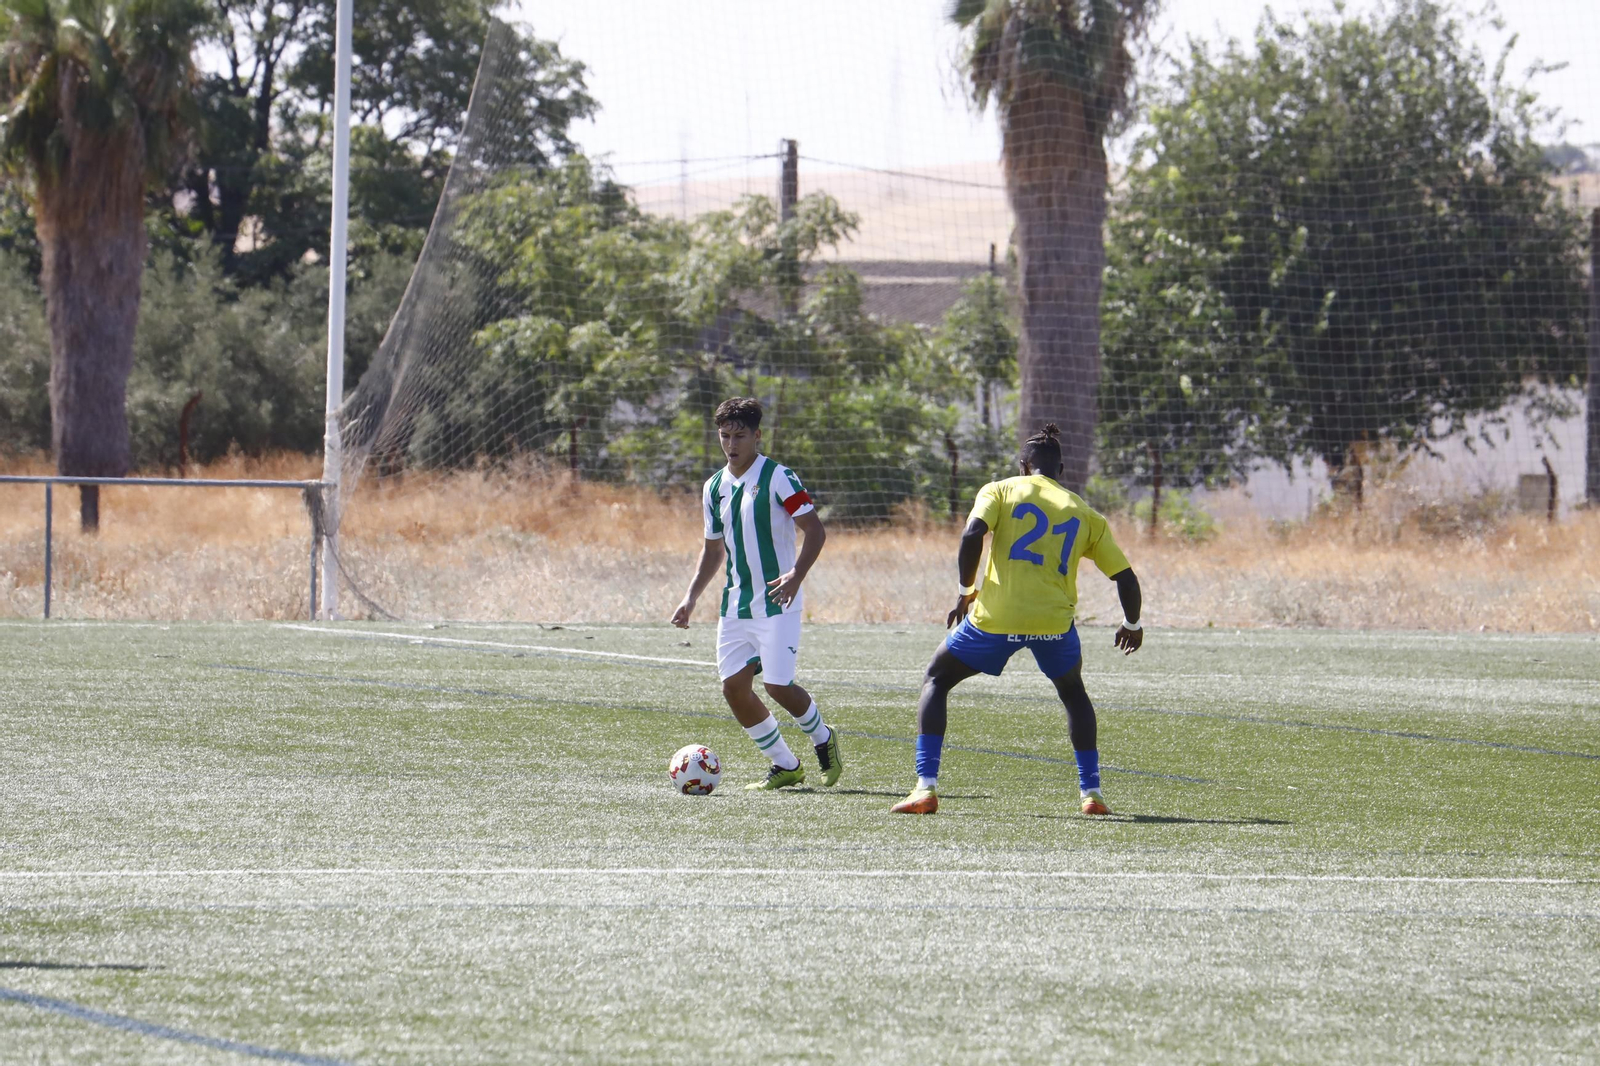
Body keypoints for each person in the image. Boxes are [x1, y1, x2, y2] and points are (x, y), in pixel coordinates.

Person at [891, 423, 1142, 816]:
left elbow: (971, 534)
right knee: (1073, 693)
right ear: (1061, 470)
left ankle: (925, 787)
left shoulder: (1000, 490)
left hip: (995, 619)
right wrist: (1132, 624)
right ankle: (1091, 794)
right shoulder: (1085, 513)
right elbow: (1125, 576)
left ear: (1023, 466)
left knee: (937, 678)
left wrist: (965, 590)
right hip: (1053, 624)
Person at [671, 396, 842, 790]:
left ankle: (823, 738)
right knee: (733, 688)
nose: (731, 444)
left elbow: (815, 531)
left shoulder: (779, 477)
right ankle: (785, 764)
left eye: (740, 436)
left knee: (777, 686)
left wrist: (796, 575)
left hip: (778, 601)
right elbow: (713, 550)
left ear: (757, 435)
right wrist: (691, 597)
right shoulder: (713, 487)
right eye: (724, 436)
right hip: (735, 605)